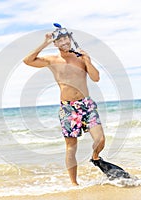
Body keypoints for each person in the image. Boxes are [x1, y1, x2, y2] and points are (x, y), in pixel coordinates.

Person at [23, 26, 106, 186]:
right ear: (56, 44)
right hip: (68, 108)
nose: (64, 41)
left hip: (87, 105)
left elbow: (96, 78)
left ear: (70, 39)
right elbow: (27, 61)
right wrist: (45, 42)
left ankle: (95, 157)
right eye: (59, 40)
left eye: (65, 38)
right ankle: (74, 184)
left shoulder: (80, 58)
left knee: (100, 139)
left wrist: (88, 60)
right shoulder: (52, 60)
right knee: (71, 147)